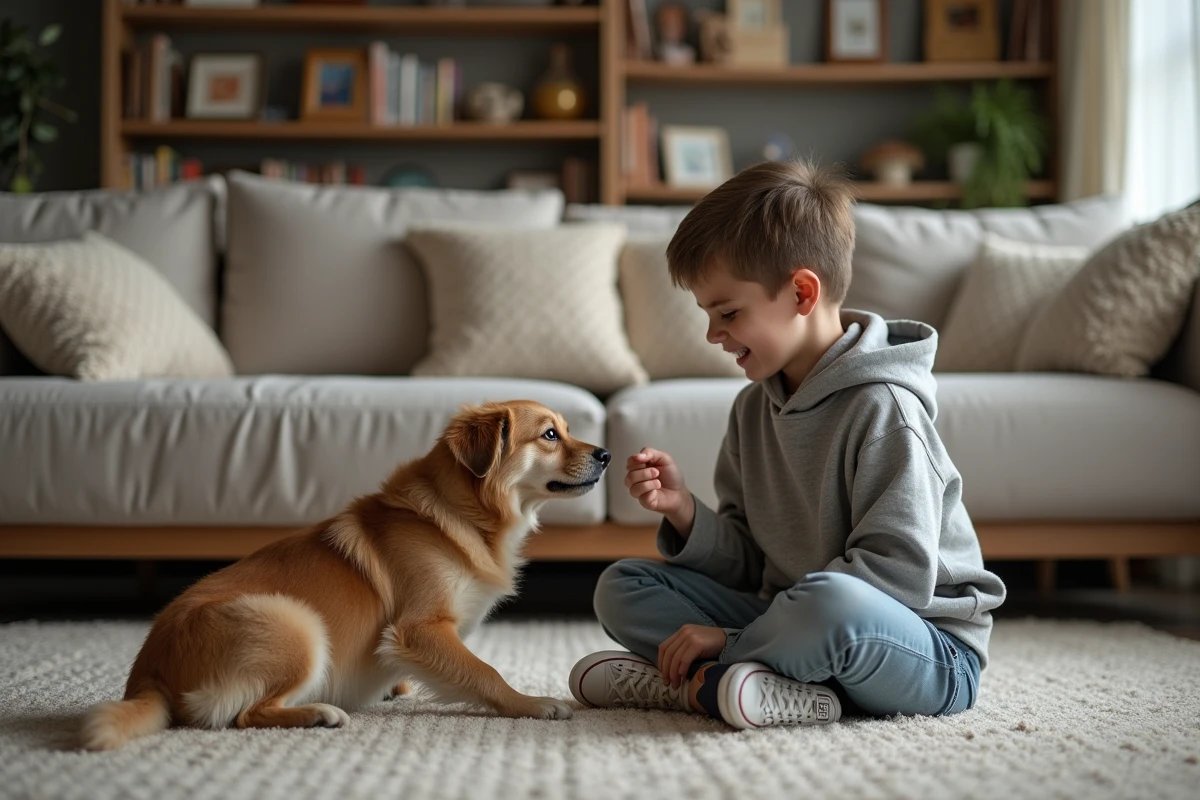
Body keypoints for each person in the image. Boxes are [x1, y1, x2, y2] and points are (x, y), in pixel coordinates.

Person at [568, 160, 1006, 729]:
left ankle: (708, 674)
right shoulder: (752, 409)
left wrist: (732, 637)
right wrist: (684, 512)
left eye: (728, 313)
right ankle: (751, 682)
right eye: (707, 315)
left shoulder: (886, 410)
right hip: (790, 617)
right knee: (622, 586)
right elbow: (751, 564)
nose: (712, 334)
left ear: (802, 292)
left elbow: (898, 576)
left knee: (829, 603)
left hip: (924, 647)